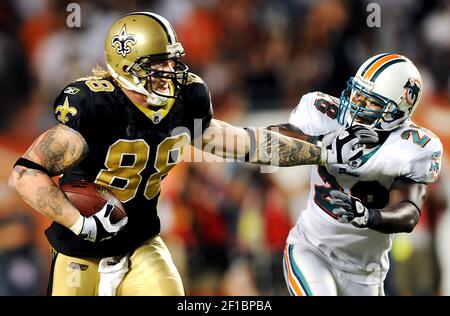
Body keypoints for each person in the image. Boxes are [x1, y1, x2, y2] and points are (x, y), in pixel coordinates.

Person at [7, 12, 372, 296]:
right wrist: (79, 221)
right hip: (80, 248)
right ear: (126, 65)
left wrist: (323, 152)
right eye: (158, 64)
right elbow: (25, 173)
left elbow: (249, 144)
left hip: (140, 242)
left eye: (172, 61)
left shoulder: (185, 102)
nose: (170, 72)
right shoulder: (96, 105)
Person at [278, 53, 443, 296]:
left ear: (397, 110)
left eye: (371, 102)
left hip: (366, 274)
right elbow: (274, 144)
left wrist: (368, 216)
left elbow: (408, 212)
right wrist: (323, 145)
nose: (357, 104)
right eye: (358, 93)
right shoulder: (324, 114)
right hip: (312, 250)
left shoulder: (413, 147)